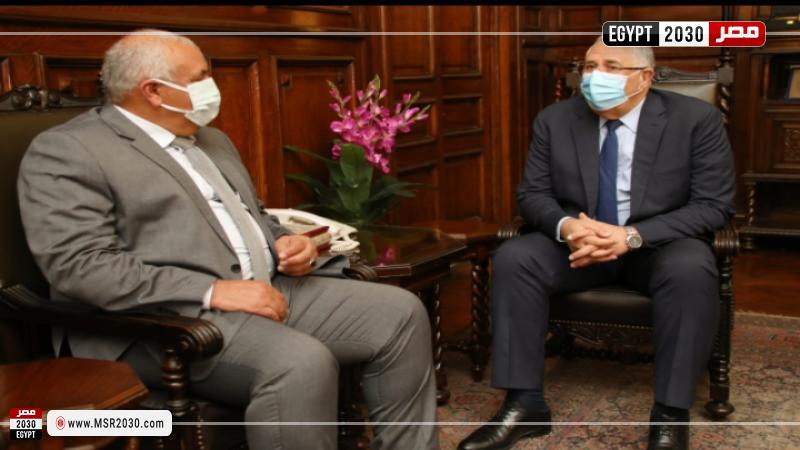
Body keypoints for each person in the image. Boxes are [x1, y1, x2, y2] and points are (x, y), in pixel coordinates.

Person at [17, 29, 438, 450]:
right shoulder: (70, 150)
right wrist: (212, 291)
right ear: (153, 91)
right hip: (163, 319)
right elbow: (79, 266)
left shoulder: (211, 139)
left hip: (267, 290)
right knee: (299, 362)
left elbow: (253, 215)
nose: (212, 86)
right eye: (200, 77)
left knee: (400, 313)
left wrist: (286, 242)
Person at [458, 38, 735, 450]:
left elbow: (713, 205)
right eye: (589, 66)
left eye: (611, 66)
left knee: (691, 268)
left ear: (645, 77)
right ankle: (524, 404)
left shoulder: (696, 120)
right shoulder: (555, 119)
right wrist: (568, 226)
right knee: (516, 256)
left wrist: (631, 236)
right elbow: (532, 194)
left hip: (656, 246)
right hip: (579, 246)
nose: (594, 76)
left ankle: (670, 414)